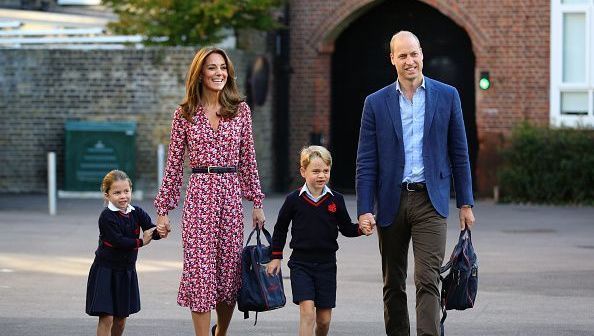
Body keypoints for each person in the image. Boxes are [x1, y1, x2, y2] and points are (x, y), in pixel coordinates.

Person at [355, 31, 476, 336]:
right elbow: (366, 161)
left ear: (422, 54)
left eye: (414, 54)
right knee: (393, 282)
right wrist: (364, 209)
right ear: (392, 59)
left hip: (430, 201)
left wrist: (465, 202)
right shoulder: (375, 103)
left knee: (427, 278)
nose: (410, 61)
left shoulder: (448, 96)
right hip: (391, 201)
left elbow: (459, 152)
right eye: (402, 55)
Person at [154, 47, 266, 336]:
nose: (219, 73)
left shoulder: (240, 110)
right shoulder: (185, 114)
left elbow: (248, 158)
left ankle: (222, 333)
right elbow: (174, 165)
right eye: (212, 68)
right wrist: (163, 210)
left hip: (230, 197)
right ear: (200, 74)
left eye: (223, 68)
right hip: (199, 196)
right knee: (201, 274)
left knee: (228, 275)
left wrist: (256, 201)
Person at [266, 145, 372, 336]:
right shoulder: (293, 200)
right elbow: (280, 228)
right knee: (307, 313)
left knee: (323, 321)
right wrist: (276, 256)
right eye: (315, 171)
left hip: (327, 265)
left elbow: (346, 228)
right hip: (301, 264)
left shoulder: (335, 200)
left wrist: (361, 229)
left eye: (325, 171)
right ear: (303, 171)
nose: (321, 175)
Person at [86, 169, 162, 336]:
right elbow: (118, 241)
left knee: (120, 321)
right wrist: (142, 242)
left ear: (131, 191)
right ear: (107, 195)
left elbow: (149, 228)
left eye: (126, 191)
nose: (123, 196)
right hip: (105, 271)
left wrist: (159, 231)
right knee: (106, 318)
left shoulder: (137, 212)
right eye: (117, 192)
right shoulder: (106, 217)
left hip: (126, 271)